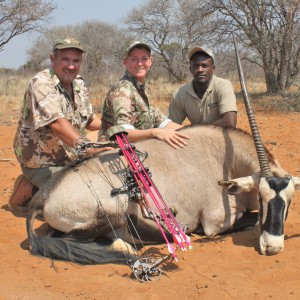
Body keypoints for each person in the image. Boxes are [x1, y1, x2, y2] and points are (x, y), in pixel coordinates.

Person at [9, 37, 113, 212]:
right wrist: (87, 147)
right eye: (65, 59)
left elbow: (89, 121)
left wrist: (117, 126)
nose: (71, 66)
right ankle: (29, 188)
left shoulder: (78, 83)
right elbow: (57, 123)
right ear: (52, 58)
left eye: (75, 61)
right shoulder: (41, 83)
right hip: (41, 162)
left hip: (71, 156)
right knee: (72, 206)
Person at [99, 40, 189, 148]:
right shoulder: (122, 90)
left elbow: (161, 121)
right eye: (134, 59)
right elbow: (123, 133)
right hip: (115, 153)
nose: (140, 63)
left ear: (150, 61)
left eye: (144, 58)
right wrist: (154, 132)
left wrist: (191, 134)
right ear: (125, 61)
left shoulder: (143, 88)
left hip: (140, 148)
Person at [168, 46, 237, 128]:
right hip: (196, 138)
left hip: (219, 138)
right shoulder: (180, 93)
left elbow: (229, 123)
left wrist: (196, 132)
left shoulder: (223, 86)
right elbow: (171, 126)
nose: (200, 69)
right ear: (190, 69)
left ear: (213, 68)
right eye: (196, 66)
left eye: (204, 65)